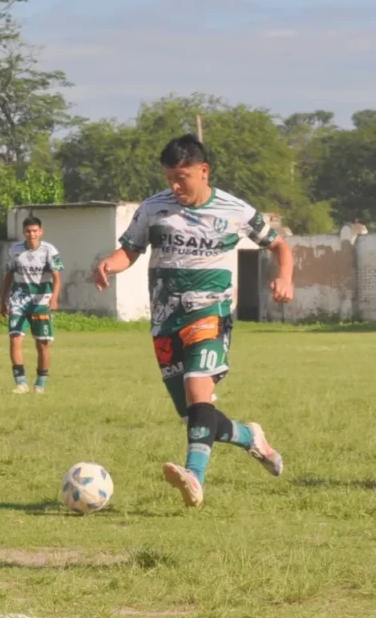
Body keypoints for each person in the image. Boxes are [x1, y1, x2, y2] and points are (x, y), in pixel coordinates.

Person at [93, 134, 294, 507]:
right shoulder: (154, 208)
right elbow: (130, 251)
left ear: (204, 171)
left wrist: (285, 276)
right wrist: (109, 263)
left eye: (182, 176)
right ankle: (252, 439)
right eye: (170, 177)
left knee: (197, 386)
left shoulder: (235, 210)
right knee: (195, 416)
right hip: (165, 319)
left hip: (210, 313)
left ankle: (194, 479)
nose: (175, 185)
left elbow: (279, 244)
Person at [0, 217, 63, 394]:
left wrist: (55, 298)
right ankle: (21, 383)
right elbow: (9, 275)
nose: (32, 234)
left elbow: (57, 277)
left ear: (41, 232)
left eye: (35, 231)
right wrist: (4, 299)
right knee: (15, 338)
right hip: (19, 300)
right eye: (28, 231)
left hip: (41, 302)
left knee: (42, 344)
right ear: (23, 233)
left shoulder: (49, 251)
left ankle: (40, 383)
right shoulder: (15, 250)